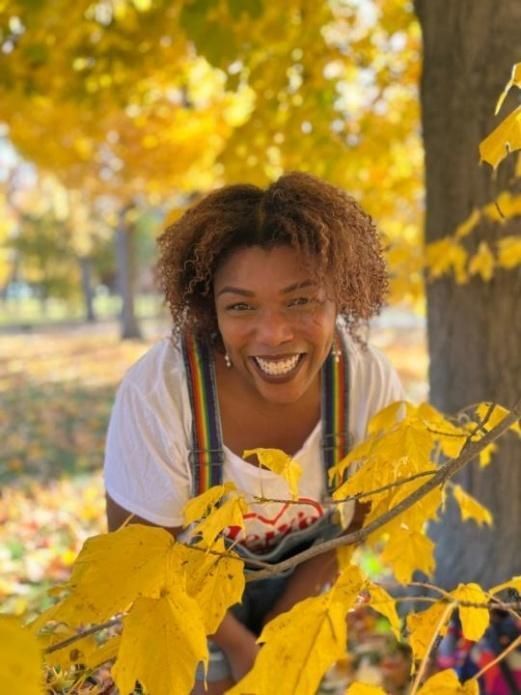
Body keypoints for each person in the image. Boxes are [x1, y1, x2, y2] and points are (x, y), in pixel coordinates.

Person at [103, 171, 404, 694]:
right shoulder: (162, 393)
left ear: (340, 296)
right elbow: (146, 566)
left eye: (301, 300)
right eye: (240, 306)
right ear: (209, 309)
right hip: (184, 602)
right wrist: (241, 651)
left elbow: (354, 530)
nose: (273, 334)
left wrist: (275, 645)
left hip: (305, 588)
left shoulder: (365, 382)